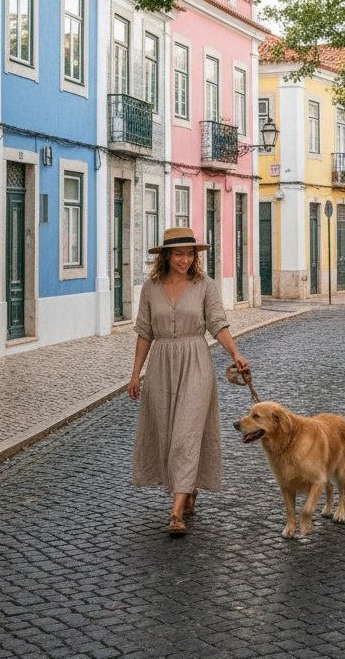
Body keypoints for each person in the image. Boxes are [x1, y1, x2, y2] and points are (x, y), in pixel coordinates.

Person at [128, 226, 250, 535]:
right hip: (160, 366)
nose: (185, 260)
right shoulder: (150, 288)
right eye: (179, 254)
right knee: (168, 432)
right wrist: (135, 374)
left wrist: (235, 352)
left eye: (190, 254)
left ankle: (176, 514)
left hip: (196, 363)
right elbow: (145, 333)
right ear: (167, 256)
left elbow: (218, 324)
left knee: (185, 434)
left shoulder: (204, 286)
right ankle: (188, 488)